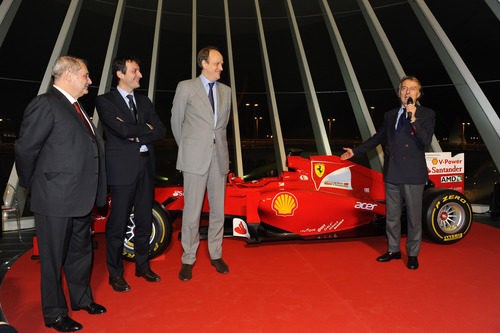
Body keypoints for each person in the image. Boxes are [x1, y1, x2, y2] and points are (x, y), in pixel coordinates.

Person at [15, 56, 107, 332]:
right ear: (68, 74)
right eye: (86, 76)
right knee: (53, 260)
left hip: (80, 198)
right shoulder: (46, 104)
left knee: (80, 254)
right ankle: (55, 314)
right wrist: (37, 185)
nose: (90, 81)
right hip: (54, 199)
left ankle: (81, 300)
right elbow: (25, 149)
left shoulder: (77, 108)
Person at [340, 76, 435, 270]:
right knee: (392, 215)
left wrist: (414, 119)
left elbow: (425, 140)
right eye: (404, 89)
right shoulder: (390, 115)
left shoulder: (427, 114)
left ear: (418, 94)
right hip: (392, 171)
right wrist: (355, 151)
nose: (408, 92)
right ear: (399, 92)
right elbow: (378, 138)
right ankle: (393, 249)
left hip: (413, 173)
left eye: (413, 89)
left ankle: (413, 254)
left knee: (413, 217)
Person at [96, 56, 166, 292]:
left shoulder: (145, 101)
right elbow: (121, 129)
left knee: (145, 218)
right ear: (120, 73)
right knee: (118, 222)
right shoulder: (105, 101)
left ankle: (142, 265)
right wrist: (144, 129)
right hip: (122, 170)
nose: (140, 75)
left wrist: (136, 133)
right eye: (135, 71)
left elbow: (160, 130)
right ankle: (115, 273)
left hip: (146, 167)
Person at [171, 46, 232, 281]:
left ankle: (216, 254)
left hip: (219, 159)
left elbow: (222, 126)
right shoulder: (186, 87)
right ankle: (188, 257)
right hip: (194, 159)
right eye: (217, 63)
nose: (221, 68)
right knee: (192, 212)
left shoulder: (226, 91)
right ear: (203, 63)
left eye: (222, 63)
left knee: (218, 211)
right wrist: (189, 148)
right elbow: (177, 122)